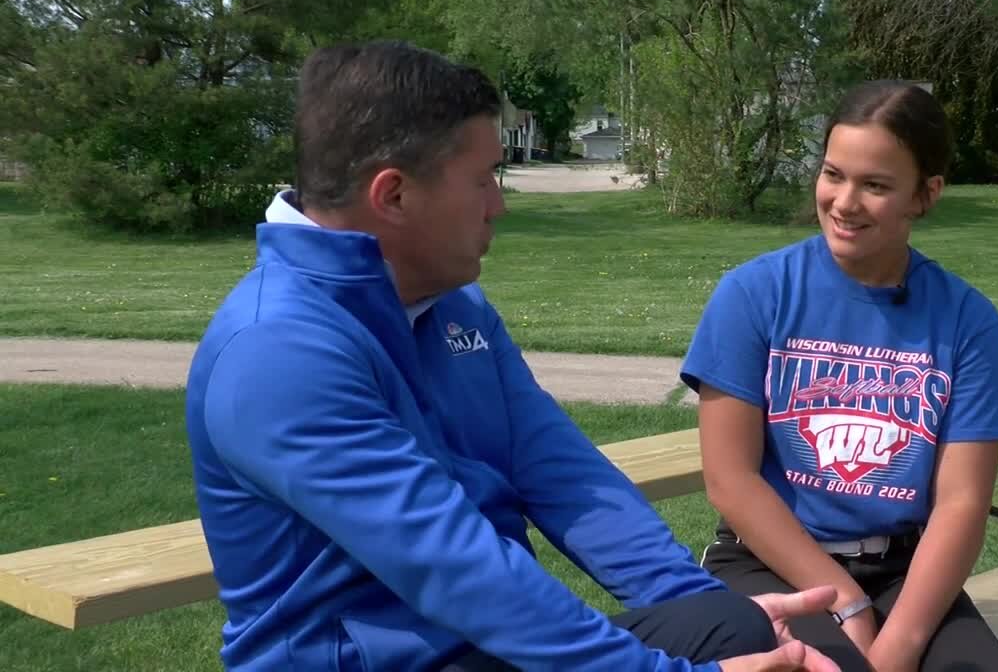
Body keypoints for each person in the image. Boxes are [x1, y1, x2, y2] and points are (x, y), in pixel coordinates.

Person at [184, 41, 841, 672]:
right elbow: (458, 569)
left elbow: (559, 473)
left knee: (745, 627)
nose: (498, 205)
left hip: (482, 652)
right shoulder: (277, 351)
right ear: (394, 196)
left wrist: (699, 602)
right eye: (482, 180)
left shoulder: (451, 305)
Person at [678, 80, 998, 672]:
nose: (844, 201)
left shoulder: (965, 320)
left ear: (926, 194)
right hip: (771, 563)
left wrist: (901, 644)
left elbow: (961, 504)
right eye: (833, 174)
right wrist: (847, 602)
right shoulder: (755, 294)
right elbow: (730, 480)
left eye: (875, 185)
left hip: (904, 572)